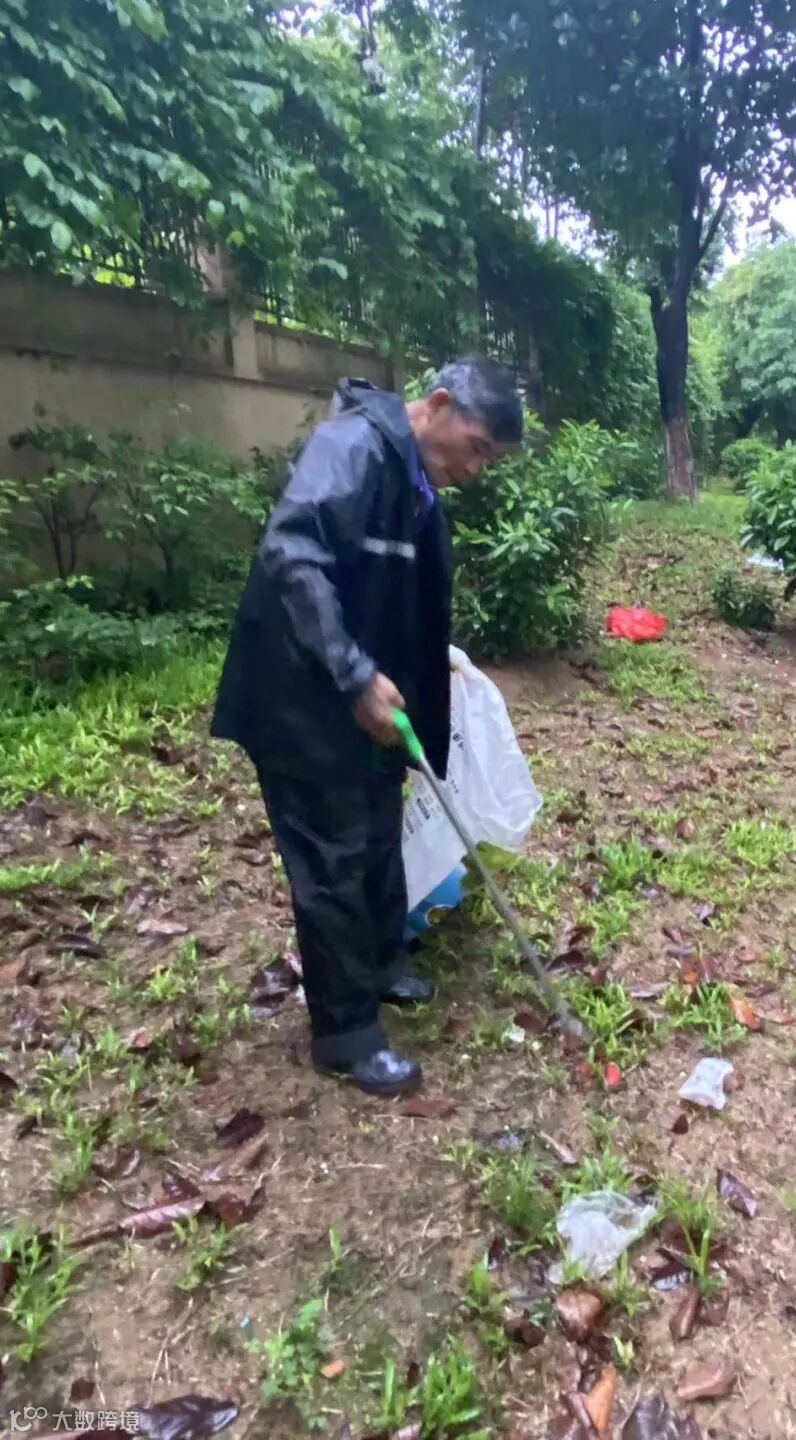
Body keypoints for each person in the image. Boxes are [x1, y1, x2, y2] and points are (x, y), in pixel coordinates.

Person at [211, 359, 523, 1096]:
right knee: (334, 858)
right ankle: (345, 1034)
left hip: (364, 700)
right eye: (476, 448)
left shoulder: (415, 480)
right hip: (302, 695)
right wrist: (354, 675)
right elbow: (292, 550)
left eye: (489, 459)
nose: (476, 470)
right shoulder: (350, 448)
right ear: (438, 405)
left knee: (379, 828)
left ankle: (380, 963)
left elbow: (390, 588)